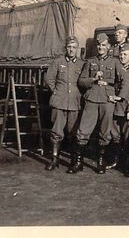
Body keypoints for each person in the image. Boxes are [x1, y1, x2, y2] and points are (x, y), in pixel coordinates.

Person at [69, 33, 129, 174]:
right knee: (83, 131)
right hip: (91, 98)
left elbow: (126, 80)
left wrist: (119, 97)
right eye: (99, 45)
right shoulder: (90, 62)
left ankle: (100, 162)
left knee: (105, 132)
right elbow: (81, 81)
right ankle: (78, 163)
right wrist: (92, 79)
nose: (101, 47)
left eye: (104, 45)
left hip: (107, 100)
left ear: (109, 47)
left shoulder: (115, 62)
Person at [44, 36, 85, 171]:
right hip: (59, 101)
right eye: (69, 47)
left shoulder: (81, 64)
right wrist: (55, 90)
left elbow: (84, 82)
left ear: (77, 49)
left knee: (73, 132)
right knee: (56, 131)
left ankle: (74, 162)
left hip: (74, 102)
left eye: (74, 47)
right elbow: (49, 78)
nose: (71, 49)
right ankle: (55, 159)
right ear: (65, 48)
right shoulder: (58, 62)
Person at [107, 43, 129, 171]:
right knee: (115, 135)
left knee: (128, 137)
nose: (122, 56)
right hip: (115, 107)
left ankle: (127, 164)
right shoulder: (115, 68)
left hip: (127, 108)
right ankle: (115, 160)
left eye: (125, 54)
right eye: (121, 54)